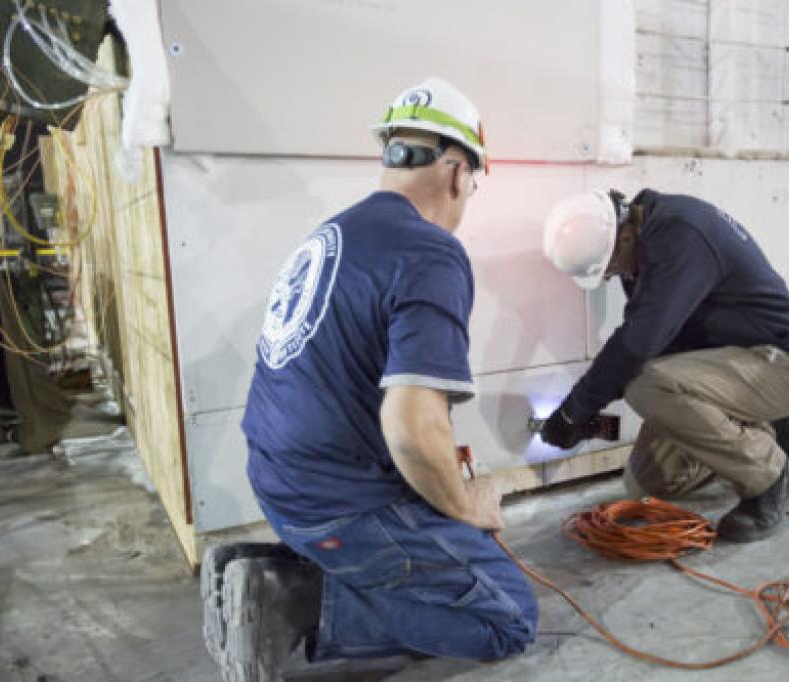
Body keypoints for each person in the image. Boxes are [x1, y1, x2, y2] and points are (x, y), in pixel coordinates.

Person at [202, 77, 538, 681]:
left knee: (459, 558)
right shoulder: (430, 251)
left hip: (279, 486)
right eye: (473, 185)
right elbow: (411, 429)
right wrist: (466, 505)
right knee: (508, 618)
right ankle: (290, 601)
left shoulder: (330, 235)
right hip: (342, 506)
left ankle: (281, 570)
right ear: (459, 173)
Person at [540, 188, 789, 543]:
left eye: (611, 266)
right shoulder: (645, 241)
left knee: (644, 384)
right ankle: (770, 427)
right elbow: (659, 340)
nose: (614, 274)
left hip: (780, 362)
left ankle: (770, 476)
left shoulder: (681, 237)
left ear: (624, 235)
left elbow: (637, 343)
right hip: (731, 362)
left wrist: (573, 412)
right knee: (647, 482)